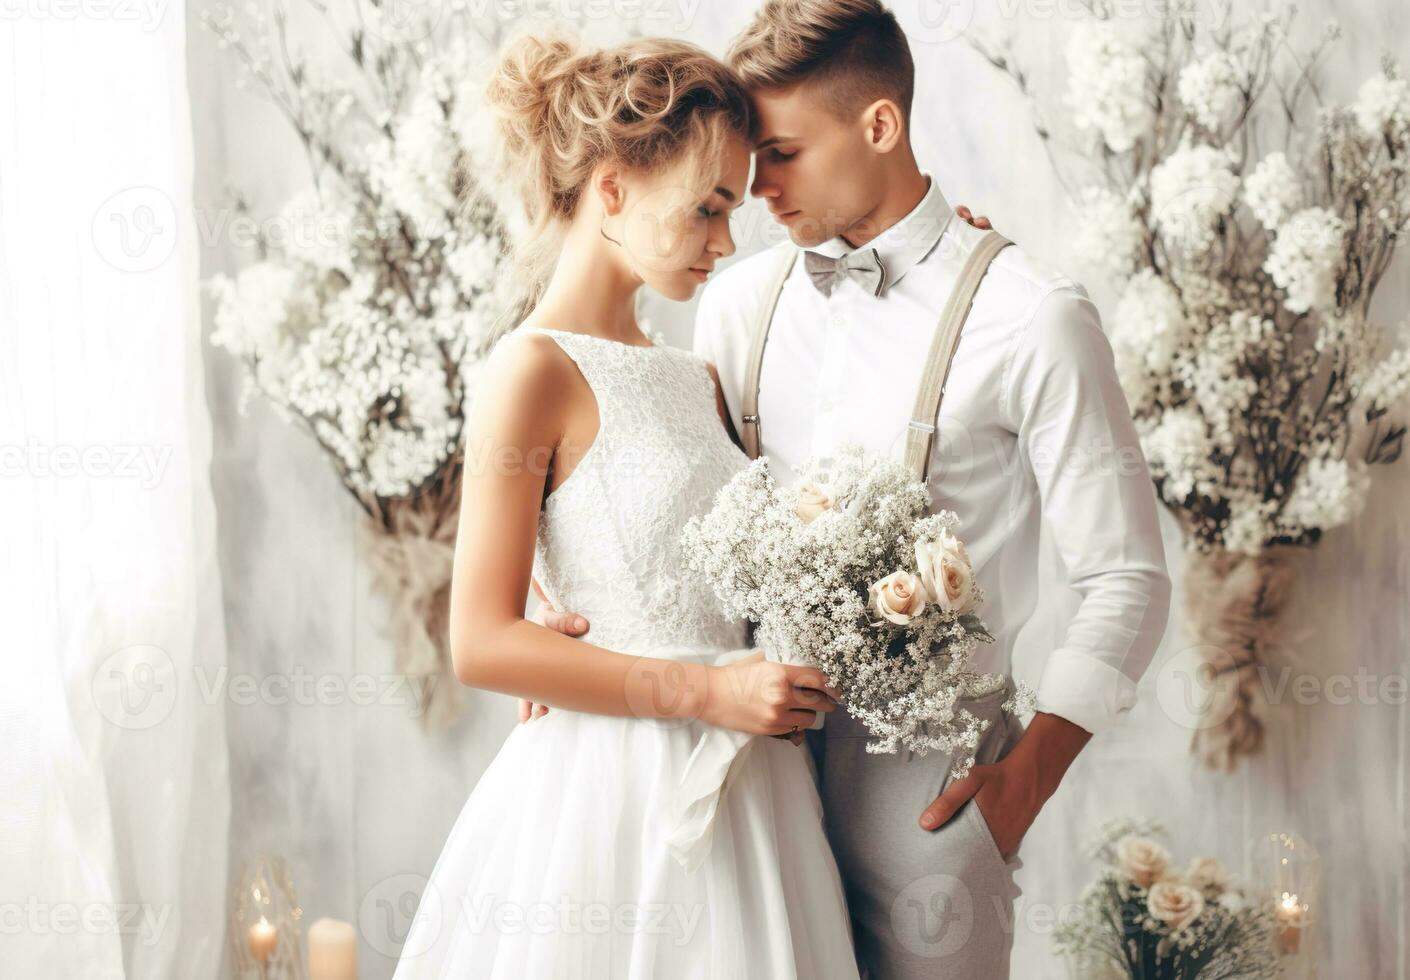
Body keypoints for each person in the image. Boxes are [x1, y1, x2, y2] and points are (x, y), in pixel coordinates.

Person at [528, 1, 1174, 977]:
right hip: (746, 777)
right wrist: (561, 591)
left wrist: (1018, 788)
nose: (753, 189)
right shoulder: (737, 303)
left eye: (780, 153)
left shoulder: (1033, 320)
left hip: (927, 804)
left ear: (881, 125)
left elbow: (1128, 575)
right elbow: (672, 485)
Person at [392, 32, 865, 979]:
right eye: (708, 209)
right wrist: (710, 691)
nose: (726, 243)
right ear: (612, 187)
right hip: (612, 800)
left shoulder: (697, 377)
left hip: (753, 799)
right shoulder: (531, 371)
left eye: (733, 211)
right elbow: (481, 643)